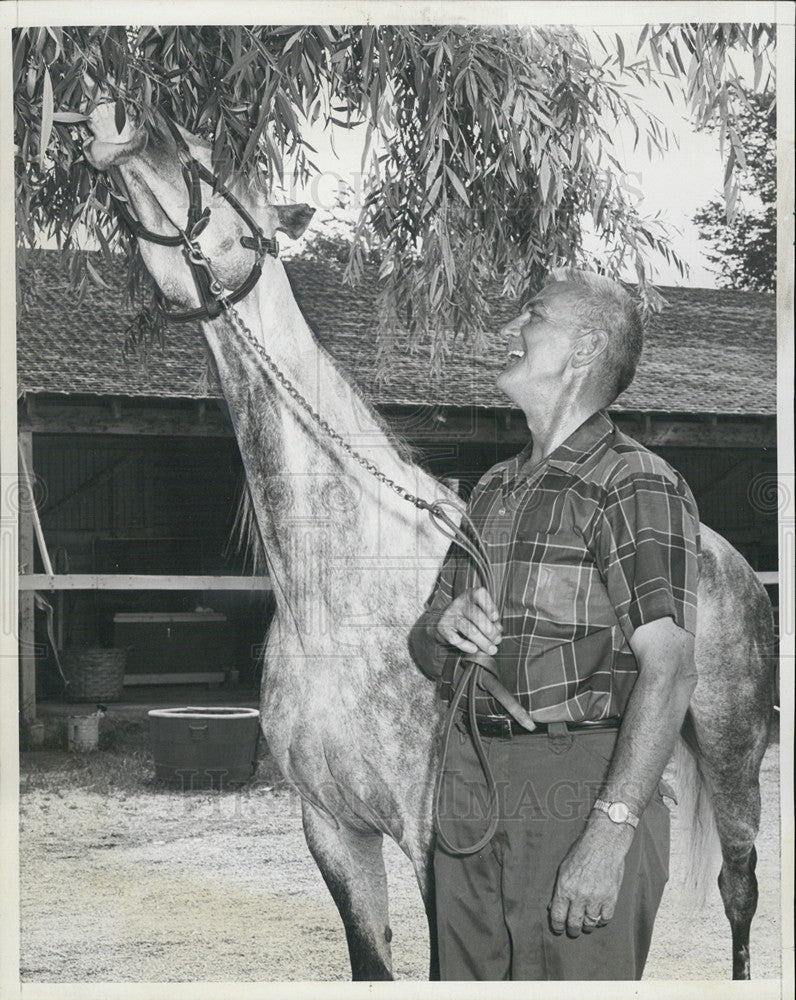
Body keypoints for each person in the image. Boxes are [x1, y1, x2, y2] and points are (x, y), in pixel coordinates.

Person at [409, 268, 700, 981]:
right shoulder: (493, 487)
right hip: (470, 781)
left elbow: (670, 668)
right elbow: (421, 645)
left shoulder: (633, 481)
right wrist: (443, 627)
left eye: (531, 315)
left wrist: (612, 829)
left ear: (585, 347)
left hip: (580, 782)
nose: (509, 330)